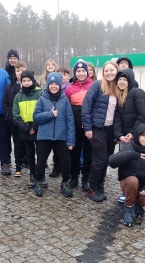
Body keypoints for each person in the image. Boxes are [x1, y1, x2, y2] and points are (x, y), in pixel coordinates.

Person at [32, 72, 75, 197]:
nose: (54, 86)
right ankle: (39, 181)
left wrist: (71, 141)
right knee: (40, 161)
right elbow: (36, 117)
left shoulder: (65, 100)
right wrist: (50, 114)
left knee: (66, 161)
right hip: (44, 136)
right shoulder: (42, 99)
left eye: (56, 84)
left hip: (61, 137)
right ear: (48, 85)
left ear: (60, 85)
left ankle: (65, 182)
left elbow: (70, 121)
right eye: (51, 84)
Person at [108, 124, 145, 227]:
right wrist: (131, 154)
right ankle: (128, 207)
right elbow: (112, 162)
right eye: (144, 136)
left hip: (143, 185)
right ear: (137, 135)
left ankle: (137, 204)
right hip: (128, 182)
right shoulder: (128, 147)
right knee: (133, 180)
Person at [82, 61, 118, 202]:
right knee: (99, 160)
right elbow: (86, 107)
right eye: (106, 70)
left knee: (107, 159)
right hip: (97, 129)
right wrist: (88, 127)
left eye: (112, 70)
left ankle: (100, 185)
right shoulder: (97, 85)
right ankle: (92, 187)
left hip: (111, 130)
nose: (109, 73)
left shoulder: (118, 87)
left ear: (116, 71)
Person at [113, 68, 145, 204]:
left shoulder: (137, 93)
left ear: (130, 80)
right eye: (119, 80)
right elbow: (116, 118)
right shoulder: (119, 95)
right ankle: (126, 191)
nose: (122, 82)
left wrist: (133, 133)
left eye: (124, 79)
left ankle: (138, 193)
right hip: (124, 138)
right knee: (124, 164)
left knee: (137, 165)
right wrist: (119, 135)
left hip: (136, 137)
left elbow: (143, 115)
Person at [65, 59, 93, 191]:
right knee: (74, 153)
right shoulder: (69, 88)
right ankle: (74, 177)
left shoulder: (94, 85)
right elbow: (66, 107)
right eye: (78, 71)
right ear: (75, 73)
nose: (81, 73)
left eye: (83, 71)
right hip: (75, 126)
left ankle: (86, 178)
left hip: (89, 127)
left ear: (87, 72)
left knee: (88, 154)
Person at [12, 70, 42, 185]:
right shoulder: (18, 96)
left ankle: (40, 175)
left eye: (28, 80)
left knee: (40, 153)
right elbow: (16, 115)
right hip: (25, 129)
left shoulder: (40, 94)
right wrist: (26, 128)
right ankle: (32, 175)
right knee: (30, 154)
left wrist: (35, 126)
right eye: (24, 80)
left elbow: (43, 110)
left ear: (32, 80)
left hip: (38, 127)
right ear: (21, 82)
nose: (26, 82)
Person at [3, 61, 28, 177]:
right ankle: (18, 165)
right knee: (17, 144)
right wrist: (9, 116)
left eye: (22, 70)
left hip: (28, 122)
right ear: (15, 72)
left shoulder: (32, 85)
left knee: (28, 144)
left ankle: (28, 163)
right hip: (14, 122)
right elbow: (5, 103)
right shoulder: (10, 86)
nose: (20, 73)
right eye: (18, 71)